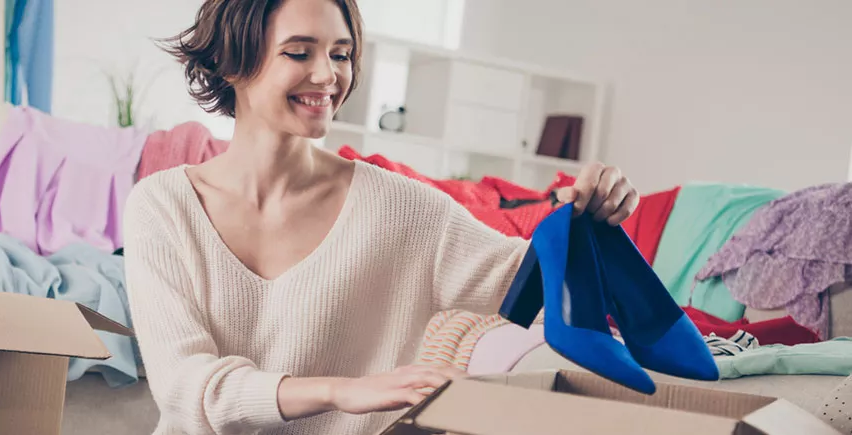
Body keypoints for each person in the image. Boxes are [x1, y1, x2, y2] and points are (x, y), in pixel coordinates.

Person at [122, 0, 640, 433]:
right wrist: (340, 392)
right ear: (232, 62)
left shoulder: (403, 208)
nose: (328, 76)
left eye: (341, 54)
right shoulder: (162, 207)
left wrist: (593, 218)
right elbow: (184, 384)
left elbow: (533, 286)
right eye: (299, 52)